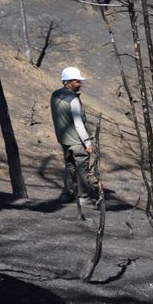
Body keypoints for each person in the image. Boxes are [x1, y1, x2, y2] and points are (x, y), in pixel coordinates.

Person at [50, 67, 95, 206]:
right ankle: (84, 197)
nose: (80, 83)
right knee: (82, 168)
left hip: (63, 139)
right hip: (77, 141)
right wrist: (87, 143)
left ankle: (66, 194)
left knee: (68, 166)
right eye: (77, 81)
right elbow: (78, 123)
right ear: (67, 82)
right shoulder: (73, 99)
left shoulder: (55, 95)